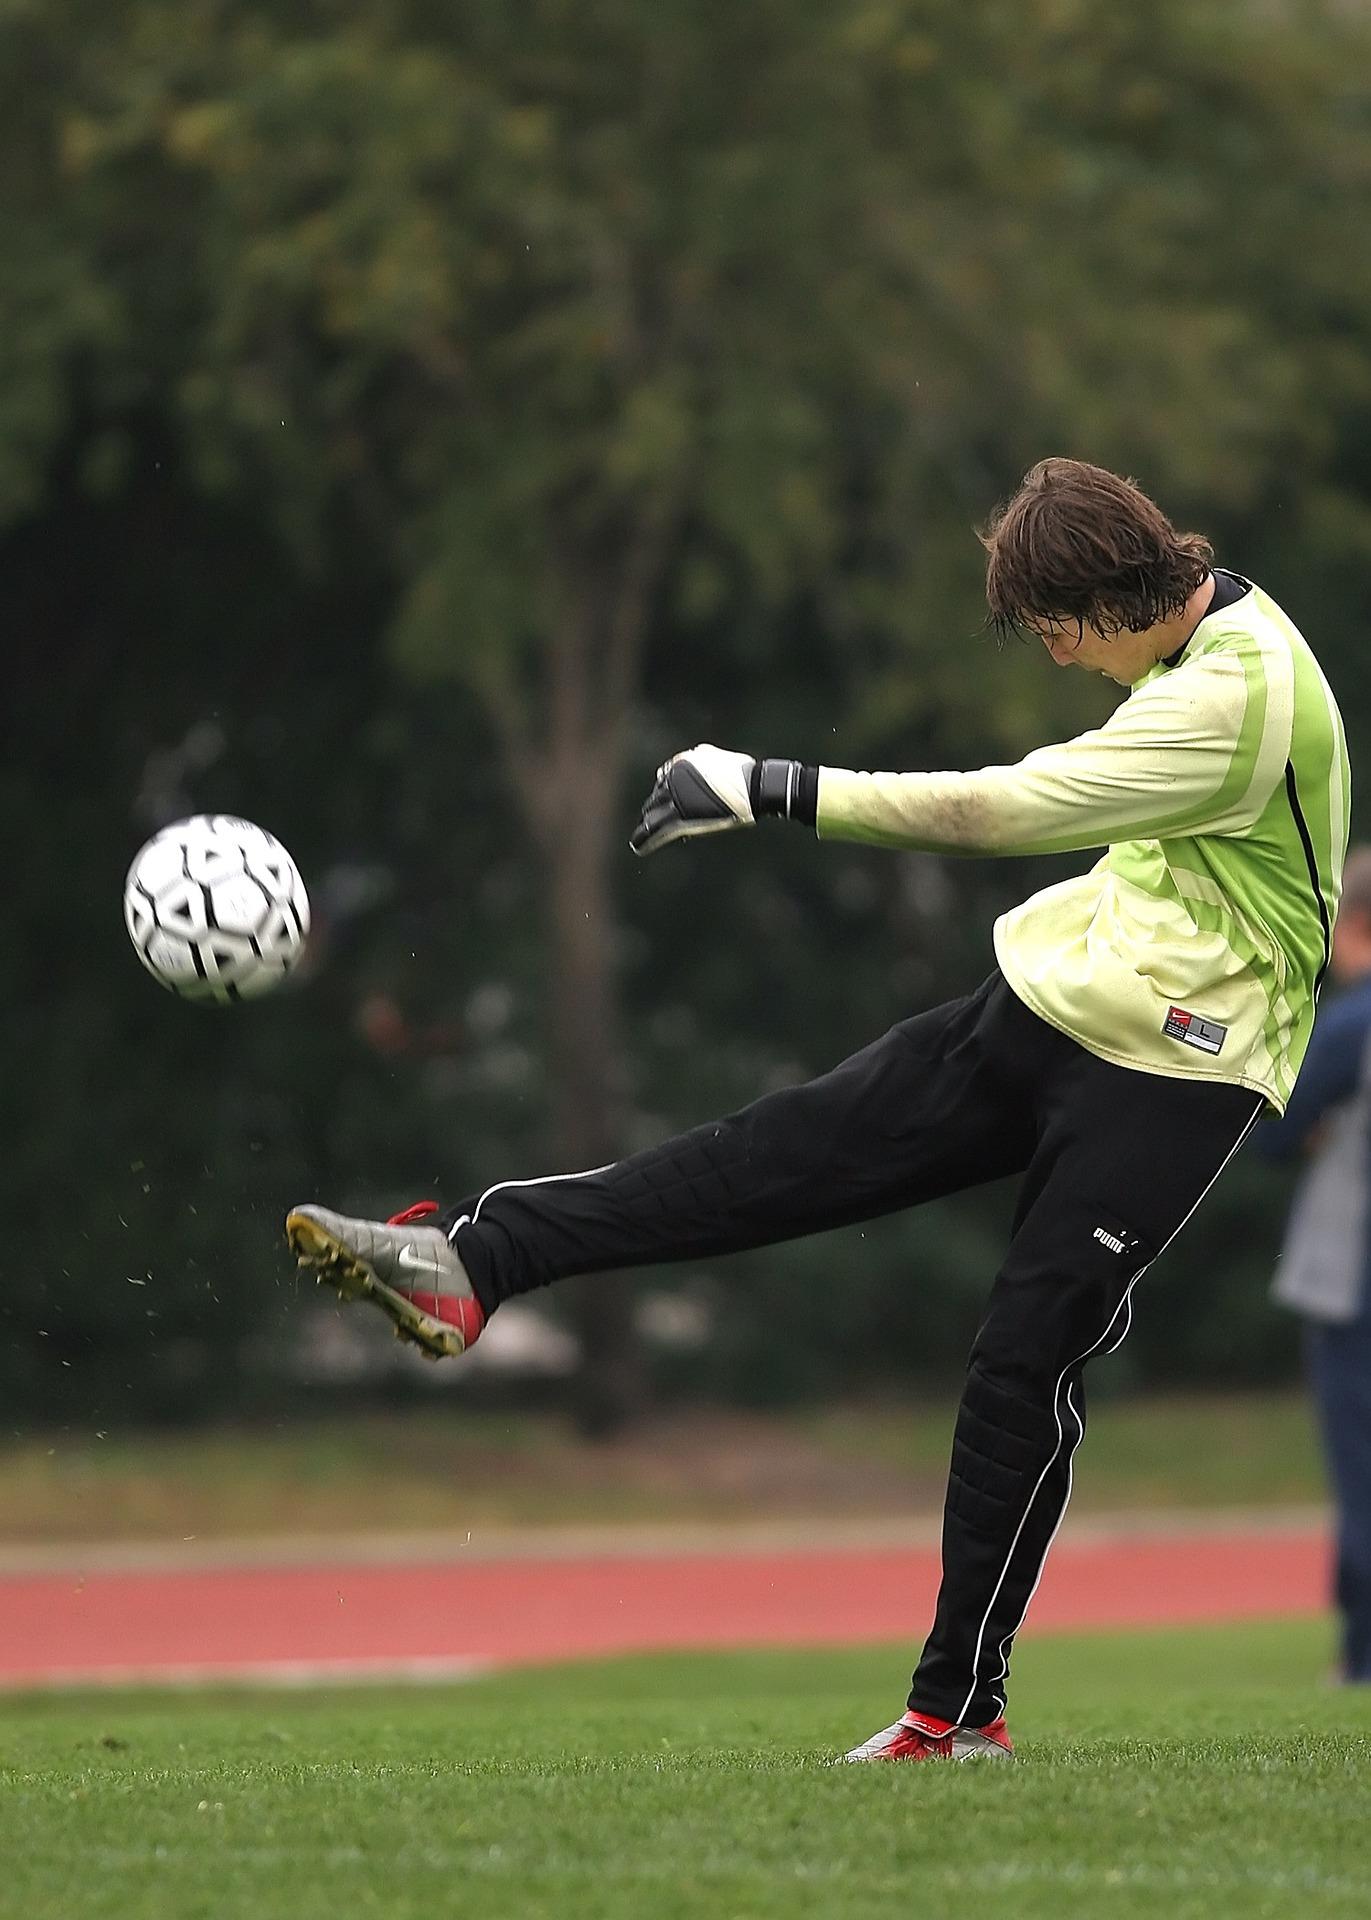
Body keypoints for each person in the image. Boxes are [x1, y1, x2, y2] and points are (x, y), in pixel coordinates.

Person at [287, 457, 1349, 1761]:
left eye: (1048, 633)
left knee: (1022, 1357)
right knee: (769, 1157)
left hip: (1181, 1068)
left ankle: (955, 1714)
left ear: (1091, 602)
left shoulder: (1236, 699)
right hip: (1050, 994)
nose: (1055, 657)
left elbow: (993, 809)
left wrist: (765, 787)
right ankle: (474, 1258)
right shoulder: (1190, 639)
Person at [1256, 846, 1371, 1686]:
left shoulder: (1350, 1022)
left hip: (1352, 1278)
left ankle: (1362, 1654)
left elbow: (1266, 1126)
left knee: (1359, 1466)